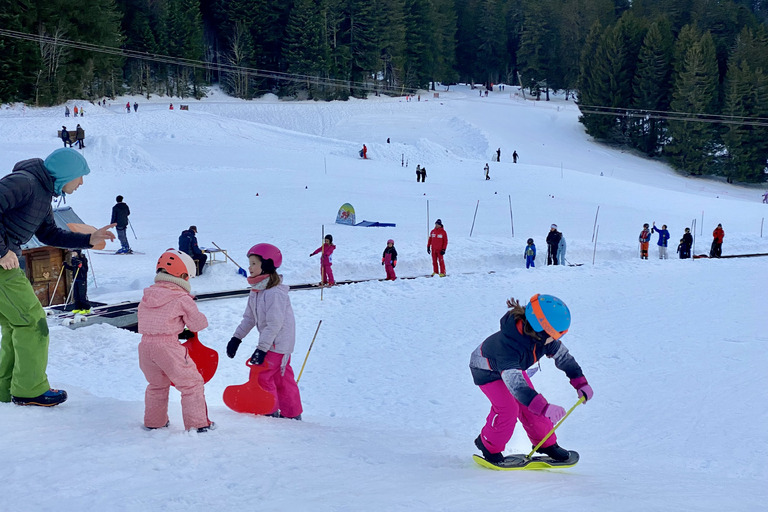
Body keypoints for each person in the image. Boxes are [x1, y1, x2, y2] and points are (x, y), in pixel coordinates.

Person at [0, 148, 115, 407]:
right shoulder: (25, 183)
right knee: (33, 322)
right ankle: (29, 390)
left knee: (14, 322)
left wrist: (88, 239)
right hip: (3, 264)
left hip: (6, 263)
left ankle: (5, 388)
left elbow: (49, 234)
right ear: (65, 174)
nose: (82, 183)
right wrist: (2, 251)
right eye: (80, 176)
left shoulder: (41, 194)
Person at [470, 294, 593, 463]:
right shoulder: (508, 347)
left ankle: (546, 443)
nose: (557, 339)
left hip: (513, 368)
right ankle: (488, 444)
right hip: (487, 371)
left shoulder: (542, 338)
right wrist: (545, 407)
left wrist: (580, 382)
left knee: (531, 407)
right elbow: (517, 387)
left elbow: (564, 358)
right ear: (543, 331)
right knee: (508, 409)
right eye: (557, 335)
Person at [137, 249, 214, 432]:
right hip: (168, 347)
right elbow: (197, 324)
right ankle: (198, 425)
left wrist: (177, 329)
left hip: (145, 347)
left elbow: (155, 322)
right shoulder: (180, 298)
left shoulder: (147, 296)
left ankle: (155, 422)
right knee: (191, 384)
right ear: (183, 275)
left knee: (156, 385)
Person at [226, 244, 303, 420]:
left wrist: (261, 349)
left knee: (261, 374)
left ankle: (268, 410)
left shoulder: (274, 293)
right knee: (281, 378)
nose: (249, 267)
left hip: (278, 343)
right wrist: (236, 338)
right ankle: (292, 413)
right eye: (250, 263)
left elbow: (274, 324)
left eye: (254, 263)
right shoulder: (257, 290)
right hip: (272, 342)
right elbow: (249, 318)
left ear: (266, 265)